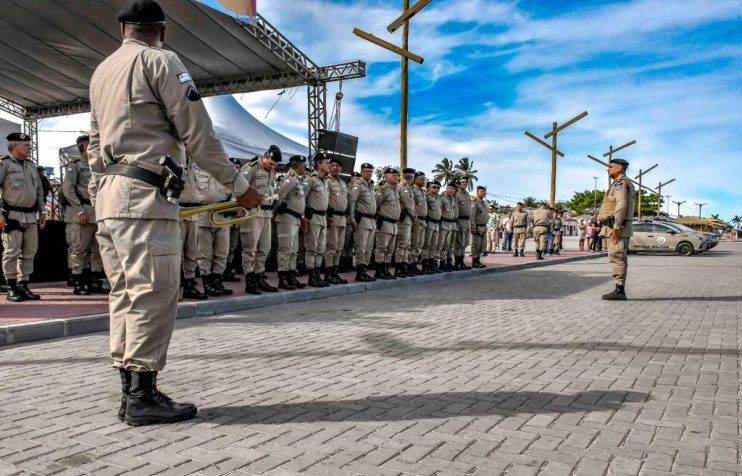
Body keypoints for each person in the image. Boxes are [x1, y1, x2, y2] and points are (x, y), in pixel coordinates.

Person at [88, 0, 262, 426]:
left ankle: (131, 392)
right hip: (145, 198)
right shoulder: (161, 60)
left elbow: (94, 145)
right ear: (161, 30)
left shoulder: (101, 71)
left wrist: (100, 192)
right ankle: (143, 396)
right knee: (153, 293)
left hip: (111, 199)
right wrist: (239, 187)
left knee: (125, 295)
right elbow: (197, 131)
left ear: (122, 30)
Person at [0, 132, 45, 302]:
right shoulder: (4, 164)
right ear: (15, 146)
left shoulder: (32, 166)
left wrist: (43, 212)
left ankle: (23, 284)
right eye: (26, 145)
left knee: (29, 252)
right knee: (11, 252)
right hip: (12, 215)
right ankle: (11, 287)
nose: (29, 148)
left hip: (30, 215)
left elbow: (39, 191)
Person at [63, 135, 108, 295]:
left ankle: (94, 280)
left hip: (98, 212)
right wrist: (79, 210)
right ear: (84, 147)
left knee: (97, 249)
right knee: (78, 249)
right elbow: (68, 190)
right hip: (82, 212)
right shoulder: (74, 166)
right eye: (92, 145)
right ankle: (78, 281)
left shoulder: (100, 165)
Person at [240, 146, 280, 294]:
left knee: (264, 248)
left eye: (275, 165)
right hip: (252, 213)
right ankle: (249, 280)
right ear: (264, 157)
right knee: (250, 248)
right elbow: (239, 189)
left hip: (266, 214)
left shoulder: (272, 172)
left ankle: (260, 277)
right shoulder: (251, 168)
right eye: (271, 163)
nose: (273, 167)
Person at [598, 158, 635, 300]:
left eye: (610, 167)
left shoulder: (620, 183)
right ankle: (619, 288)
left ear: (618, 168)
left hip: (618, 226)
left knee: (617, 257)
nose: (608, 169)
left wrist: (616, 226)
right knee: (617, 257)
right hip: (615, 226)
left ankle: (620, 290)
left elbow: (621, 204)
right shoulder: (621, 183)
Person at [194, 165, 233, 296]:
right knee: (204, 253)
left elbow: (236, 193)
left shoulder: (227, 175)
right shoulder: (197, 174)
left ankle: (218, 281)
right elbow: (195, 195)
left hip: (222, 218)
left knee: (222, 252)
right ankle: (207, 283)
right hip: (204, 217)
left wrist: (231, 206)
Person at [275, 155, 307, 290]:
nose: (305, 167)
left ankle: (291, 275)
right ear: (298, 165)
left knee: (293, 249)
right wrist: (275, 212)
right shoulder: (289, 179)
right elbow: (280, 196)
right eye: (303, 165)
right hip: (286, 217)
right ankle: (283, 277)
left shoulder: (296, 180)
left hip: (295, 218)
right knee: (285, 248)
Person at [178, 158, 206, 300]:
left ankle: (189, 284)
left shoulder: (193, 165)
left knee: (192, 252)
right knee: (177, 253)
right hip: (179, 210)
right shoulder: (176, 159)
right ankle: (175, 288)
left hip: (193, 211)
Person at [303, 152, 330, 288]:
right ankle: (311, 276)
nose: (329, 165)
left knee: (321, 248)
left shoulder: (325, 180)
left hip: (323, 217)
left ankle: (317, 274)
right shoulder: (311, 180)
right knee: (312, 248)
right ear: (319, 164)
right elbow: (302, 198)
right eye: (327, 163)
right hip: (312, 217)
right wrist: (304, 217)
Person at [349, 163, 377, 282]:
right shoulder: (358, 185)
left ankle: (364, 271)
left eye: (370, 171)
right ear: (361, 172)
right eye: (366, 171)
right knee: (361, 247)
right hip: (362, 220)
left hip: (371, 220)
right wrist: (352, 219)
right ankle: (360, 273)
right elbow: (352, 202)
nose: (369, 173)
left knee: (369, 248)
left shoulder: (369, 186)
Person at [323, 157, 348, 284]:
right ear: (328, 167)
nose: (334, 167)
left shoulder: (343, 183)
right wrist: (327, 216)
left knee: (339, 247)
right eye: (332, 165)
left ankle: (335, 272)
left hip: (343, 218)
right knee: (331, 247)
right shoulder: (327, 181)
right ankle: (328, 273)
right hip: (332, 217)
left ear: (341, 169)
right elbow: (325, 200)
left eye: (337, 166)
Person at [374, 167, 401, 279]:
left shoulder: (395, 190)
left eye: (396, 175)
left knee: (390, 249)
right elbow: (375, 206)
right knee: (382, 248)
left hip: (394, 224)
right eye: (393, 175)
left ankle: (385, 269)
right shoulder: (382, 190)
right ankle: (379, 270)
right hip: (384, 223)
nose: (395, 177)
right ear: (386, 176)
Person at [394, 168, 416, 277]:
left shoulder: (406, 187)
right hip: (404, 218)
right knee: (402, 244)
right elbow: (407, 205)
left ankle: (403, 266)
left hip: (407, 218)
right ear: (410, 177)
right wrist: (414, 215)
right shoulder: (404, 187)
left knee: (406, 244)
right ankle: (399, 268)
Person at [409, 171, 427, 274]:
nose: (423, 181)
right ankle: (411, 265)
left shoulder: (423, 191)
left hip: (423, 221)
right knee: (413, 244)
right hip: (415, 220)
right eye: (421, 179)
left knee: (419, 245)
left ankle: (415, 264)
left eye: (424, 179)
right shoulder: (413, 190)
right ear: (415, 179)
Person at [421, 181, 441, 274]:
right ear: (430, 187)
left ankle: (431, 264)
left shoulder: (439, 198)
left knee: (434, 246)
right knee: (427, 245)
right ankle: (425, 266)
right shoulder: (427, 196)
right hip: (429, 222)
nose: (436, 189)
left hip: (437, 224)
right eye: (434, 187)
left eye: (438, 187)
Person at [438, 182, 458, 272]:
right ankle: (436, 263)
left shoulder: (453, 199)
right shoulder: (441, 198)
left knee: (447, 245)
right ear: (446, 188)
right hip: (443, 224)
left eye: (453, 189)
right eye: (449, 188)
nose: (450, 190)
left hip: (450, 225)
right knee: (440, 245)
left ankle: (444, 263)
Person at [453, 177, 472, 270]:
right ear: (459, 183)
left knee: (465, 243)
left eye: (466, 182)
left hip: (467, 221)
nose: (464, 183)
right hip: (460, 220)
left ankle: (462, 262)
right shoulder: (456, 194)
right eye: (462, 182)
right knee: (459, 243)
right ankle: (457, 263)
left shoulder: (467, 194)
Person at [469, 185, 488, 268]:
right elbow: (472, 216)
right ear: (477, 192)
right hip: (477, 227)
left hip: (484, 227)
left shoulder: (484, 203)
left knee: (482, 245)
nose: (483, 193)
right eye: (481, 192)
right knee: (476, 245)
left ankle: (478, 260)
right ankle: (474, 261)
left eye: (484, 192)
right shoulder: (475, 202)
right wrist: (473, 227)